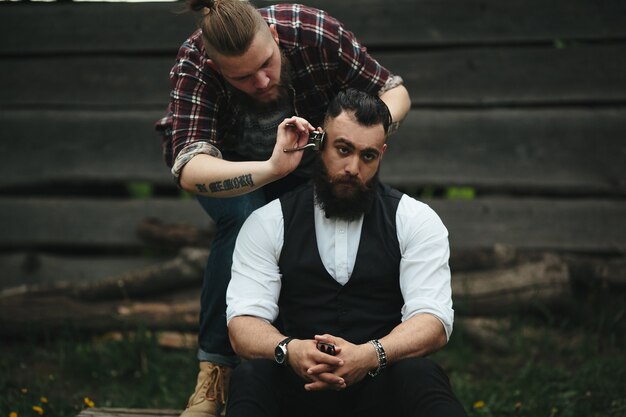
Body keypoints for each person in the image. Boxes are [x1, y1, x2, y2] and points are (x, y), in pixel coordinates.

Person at [155, 0, 410, 415]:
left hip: (314, 164)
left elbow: (394, 92)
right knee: (245, 220)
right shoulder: (194, 64)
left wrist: (351, 137)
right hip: (233, 171)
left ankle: (342, 360)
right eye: (243, 76)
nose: (261, 80)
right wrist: (272, 169)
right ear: (218, 68)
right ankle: (215, 373)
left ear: (274, 38)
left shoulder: (310, 30)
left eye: (267, 64)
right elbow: (190, 168)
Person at [225, 89, 467, 416]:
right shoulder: (269, 221)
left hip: (378, 392)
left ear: (381, 154)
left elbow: (433, 321)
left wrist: (371, 355)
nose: (353, 167)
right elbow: (243, 324)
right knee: (252, 376)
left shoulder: (415, 220)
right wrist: (290, 349)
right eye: (343, 149)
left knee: (420, 375)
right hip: (298, 391)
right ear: (320, 143)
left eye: (367, 156)